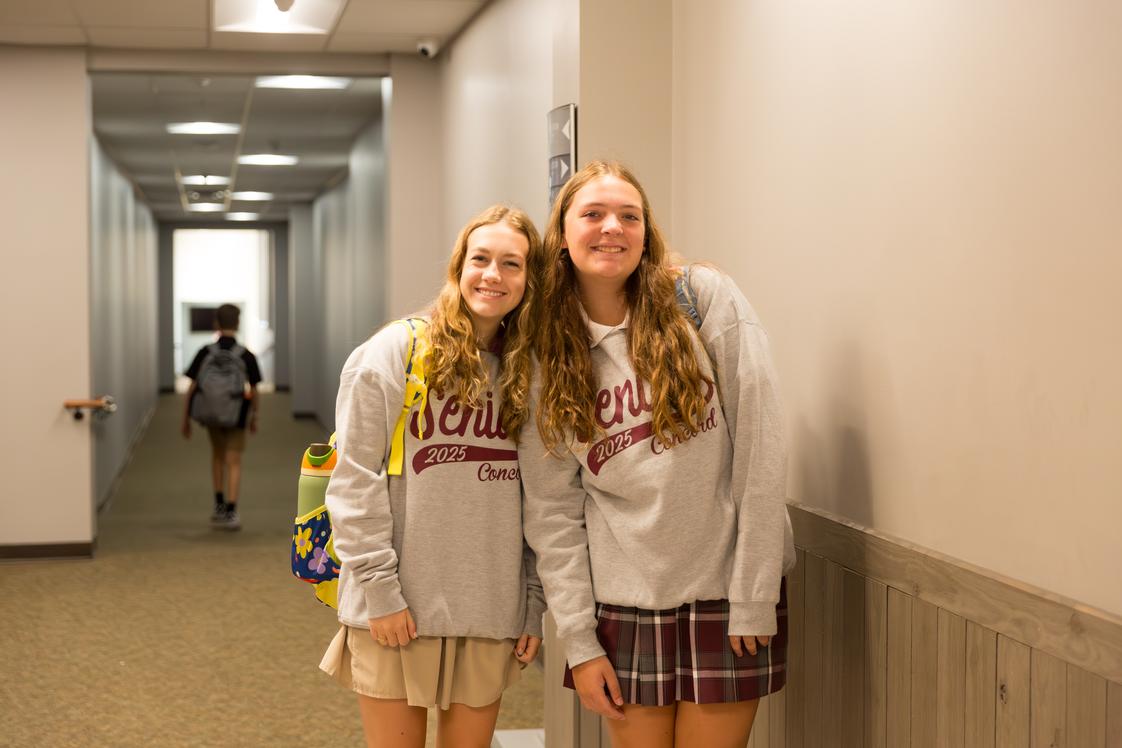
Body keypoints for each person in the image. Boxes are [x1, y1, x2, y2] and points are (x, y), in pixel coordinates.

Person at [520, 161, 795, 748]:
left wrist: (754, 593)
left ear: (647, 232)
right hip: (623, 603)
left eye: (629, 216)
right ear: (563, 235)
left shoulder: (700, 299)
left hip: (726, 590)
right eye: (592, 214)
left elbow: (761, 449)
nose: (611, 227)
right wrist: (580, 639)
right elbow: (552, 513)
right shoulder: (547, 350)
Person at [319, 205, 547, 748]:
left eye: (512, 264)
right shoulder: (395, 352)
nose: (493, 275)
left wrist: (533, 604)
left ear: (530, 280)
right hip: (398, 605)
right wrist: (381, 591)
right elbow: (353, 480)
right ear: (458, 267)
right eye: (481, 259)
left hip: (490, 606)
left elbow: (544, 500)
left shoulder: (530, 371)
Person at [181, 303, 261, 531]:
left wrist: (185, 418)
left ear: (216, 323)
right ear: (237, 323)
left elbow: (192, 387)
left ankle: (218, 505)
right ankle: (232, 510)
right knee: (233, 460)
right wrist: (255, 416)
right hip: (238, 414)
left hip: (211, 413)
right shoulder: (246, 355)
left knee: (217, 456)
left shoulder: (205, 352)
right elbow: (254, 390)